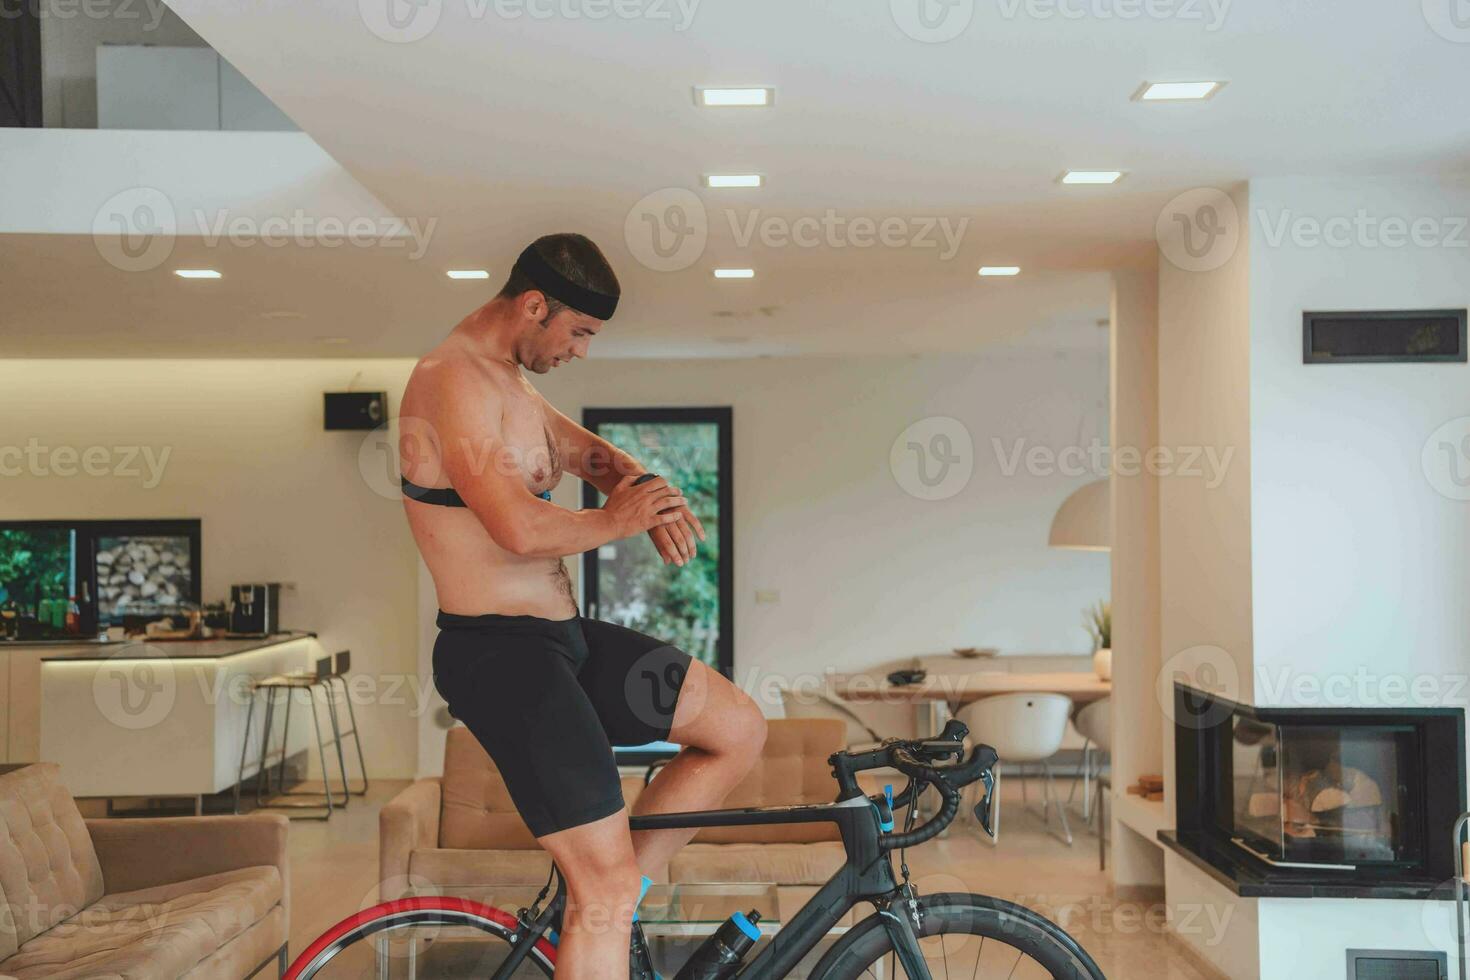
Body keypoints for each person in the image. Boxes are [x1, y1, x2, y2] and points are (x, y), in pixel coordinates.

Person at [398, 233, 767, 977]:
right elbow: (517, 525)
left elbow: (592, 457)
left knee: (737, 726)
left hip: (562, 642)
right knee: (596, 888)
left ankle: (615, 890)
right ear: (535, 306)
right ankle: (603, 894)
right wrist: (619, 522)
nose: (583, 352)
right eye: (580, 333)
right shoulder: (449, 380)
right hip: (499, 654)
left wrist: (647, 491)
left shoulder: (508, 382)